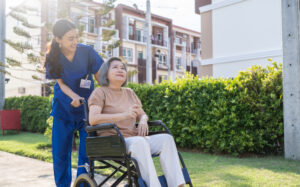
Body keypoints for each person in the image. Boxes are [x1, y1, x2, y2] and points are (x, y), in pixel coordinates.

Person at [88, 57, 185, 187]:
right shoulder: (100, 92)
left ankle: (178, 184)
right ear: (106, 73)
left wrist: (143, 121)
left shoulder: (129, 93)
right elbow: (93, 119)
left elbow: (142, 114)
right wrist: (123, 115)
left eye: (122, 68)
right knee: (140, 142)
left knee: (166, 139)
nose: (120, 70)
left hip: (134, 139)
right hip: (113, 141)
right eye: (115, 67)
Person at [44, 19, 103, 187]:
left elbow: (101, 79)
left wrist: (105, 99)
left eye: (77, 37)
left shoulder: (87, 52)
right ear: (58, 39)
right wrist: (74, 97)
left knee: (86, 154)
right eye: (70, 38)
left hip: (87, 112)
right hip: (63, 109)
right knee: (61, 155)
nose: (75, 42)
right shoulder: (52, 57)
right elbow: (61, 84)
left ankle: (82, 184)